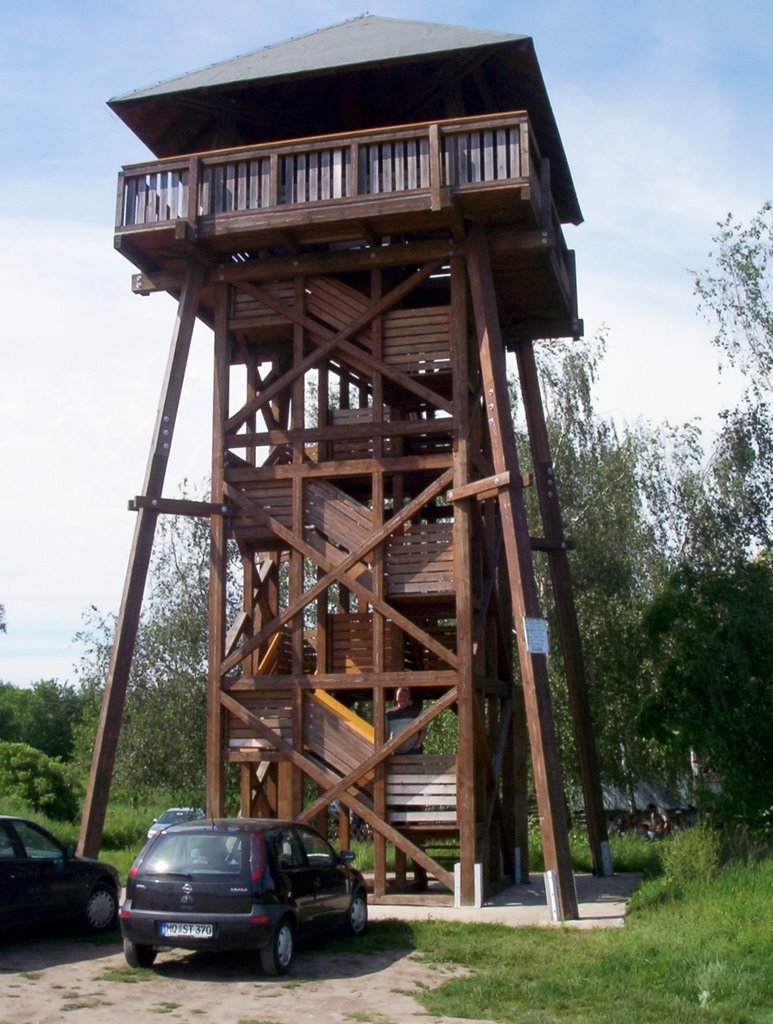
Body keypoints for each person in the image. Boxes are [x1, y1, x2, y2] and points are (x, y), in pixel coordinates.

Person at [386, 686, 427, 753]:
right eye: (400, 696)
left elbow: (424, 730)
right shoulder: (389, 714)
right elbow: (384, 733)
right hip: (394, 751)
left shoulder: (416, 712)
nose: (403, 698)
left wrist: (418, 744)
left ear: (409, 698)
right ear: (397, 698)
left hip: (412, 751)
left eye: (406, 696)